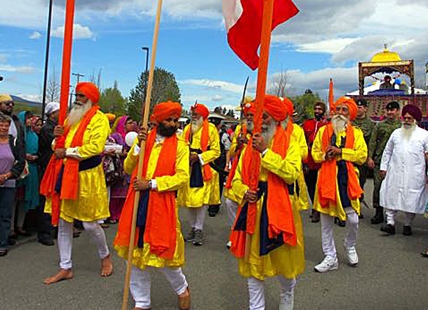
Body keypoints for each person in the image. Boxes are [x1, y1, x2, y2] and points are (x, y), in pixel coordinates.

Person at [229, 95, 304, 310]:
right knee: (253, 266)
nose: (260, 121)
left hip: (281, 209)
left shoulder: (290, 142)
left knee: (283, 262)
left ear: (276, 119)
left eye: (266, 117)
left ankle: (287, 293)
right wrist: (244, 191)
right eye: (259, 117)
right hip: (254, 208)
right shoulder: (249, 146)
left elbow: (291, 174)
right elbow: (236, 179)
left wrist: (265, 152)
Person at [114, 101, 191, 310]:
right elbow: (129, 168)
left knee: (163, 254)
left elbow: (182, 177)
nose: (173, 124)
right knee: (135, 253)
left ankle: (182, 287)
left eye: (175, 120)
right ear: (157, 120)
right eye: (169, 119)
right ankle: (142, 301)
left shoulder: (181, 146)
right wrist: (138, 146)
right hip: (138, 201)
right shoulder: (144, 141)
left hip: (162, 203)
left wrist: (152, 184)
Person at [41, 82, 113, 284]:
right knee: (64, 222)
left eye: (81, 96)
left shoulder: (99, 120)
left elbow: (95, 147)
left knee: (90, 224)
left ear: (90, 99)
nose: (77, 99)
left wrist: (68, 152)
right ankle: (65, 267)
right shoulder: (70, 118)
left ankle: (105, 256)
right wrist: (56, 140)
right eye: (76, 95)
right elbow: (59, 145)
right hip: (66, 173)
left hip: (87, 176)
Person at [312, 97, 367, 272]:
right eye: (338, 109)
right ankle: (330, 257)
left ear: (350, 114)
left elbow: (362, 155)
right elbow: (314, 154)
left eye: (344, 110)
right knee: (326, 222)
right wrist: (325, 156)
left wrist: (341, 152)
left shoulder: (356, 133)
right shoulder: (323, 132)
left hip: (347, 180)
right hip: (327, 180)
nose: (340, 113)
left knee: (353, 219)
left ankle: (349, 245)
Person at [379, 104, 428, 236]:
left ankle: (407, 224)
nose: (406, 120)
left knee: (411, 199)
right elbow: (387, 151)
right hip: (394, 171)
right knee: (391, 195)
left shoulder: (424, 135)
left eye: (409, 118)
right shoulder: (396, 133)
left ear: (415, 119)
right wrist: (383, 167)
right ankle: (390, 223)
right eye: (405, 118)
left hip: (414, 173)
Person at [178, 103, 220, 246]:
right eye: (192, 114)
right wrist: (186, 156)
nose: (193, 117)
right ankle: (192, 227)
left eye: (196, 115)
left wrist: (200, 157)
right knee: (190, 201)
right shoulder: (188, 129)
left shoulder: (212, 129)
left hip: (203, 169)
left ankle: (199, 229)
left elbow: (216, 151)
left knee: (201, 202)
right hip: (188, 168)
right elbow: (182, 145)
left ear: (203, 116)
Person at [224, 100, 254, 247]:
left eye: (251, 115)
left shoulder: (264, 130)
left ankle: (249, 234)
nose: (248, 118)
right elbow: (233, 149)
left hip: (255, 170)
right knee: (230, 202)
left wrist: (249, 142)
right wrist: (239, 143)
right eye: (246, 115)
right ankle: (234, 232)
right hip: (239, 169)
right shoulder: (240, 129)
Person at [367, 101, 401, 224]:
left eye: (392, 110)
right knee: (378, 186)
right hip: (380, 160)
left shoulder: (402, 126)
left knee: (394, 187)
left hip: (396, 161)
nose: (389, 112)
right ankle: (378, 212)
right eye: (388, 110)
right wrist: (370, 157)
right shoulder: (380, 125)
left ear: (398, 111)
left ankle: (392, 214)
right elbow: (373, 141)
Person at [0, 94, 25, 242]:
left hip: (9, 180)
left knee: (5, 213)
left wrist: (7, 175)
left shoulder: (15, 122)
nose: (10, 106)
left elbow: (20, 159)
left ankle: (2, 241)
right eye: (7, 103)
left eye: (12, 104)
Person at [37, 102, 60, 246]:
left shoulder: (55, 128)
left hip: (55, 167)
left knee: (55, 197)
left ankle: (53, 228)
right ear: (52, 114)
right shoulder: (47, 129)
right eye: (59, 111)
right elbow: (55, 144)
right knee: (46, 199)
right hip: (47, 167)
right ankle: (44, 233)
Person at [302, 101, 328, 222]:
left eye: (320, 109)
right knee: (310, 186)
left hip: (322, 159)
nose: (317, 111)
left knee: (321, 186)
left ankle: (320, 208)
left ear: (323, 111)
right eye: (316, 109)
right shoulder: (307, 123)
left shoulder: (327, 125)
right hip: (309, 159)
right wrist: (304, 162)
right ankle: (315, 207)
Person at [351, 99, 375, 217]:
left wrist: (370, 157)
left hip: (363, 158)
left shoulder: (371, 124)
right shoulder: (349, 123)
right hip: (350, 157)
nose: (358, 109)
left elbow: (372, 142)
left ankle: (358, 206)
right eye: (356, 107)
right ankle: (349, 207)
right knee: (349, 183)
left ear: (365, 108)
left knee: (360, 184)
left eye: (361, 107)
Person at [207, 114, 230, 217]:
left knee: (219, 185)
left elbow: (227, 151)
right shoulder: (207, 134)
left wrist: (226, 165)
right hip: (209, 163)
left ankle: (214, 207)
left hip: (219, 165)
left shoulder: (224, 136)